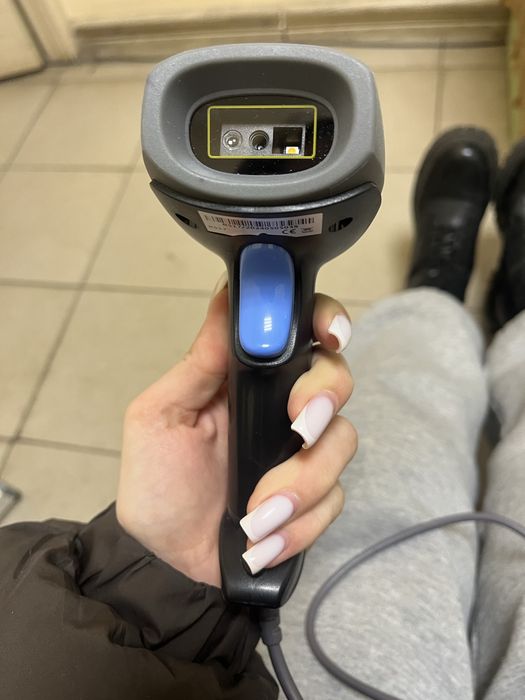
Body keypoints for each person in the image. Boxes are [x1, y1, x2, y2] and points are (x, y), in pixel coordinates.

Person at [0, 124, 524, 700]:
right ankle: (482, 302)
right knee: (419, 405)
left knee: (406, 397)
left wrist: (158, 572)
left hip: (178, 648)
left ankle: (435, 298)